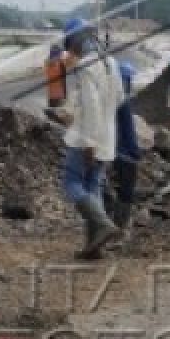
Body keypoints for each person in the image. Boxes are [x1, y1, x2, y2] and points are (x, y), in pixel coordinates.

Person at [55, 18, 124, 259]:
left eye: (70, 44)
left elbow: (92, 106)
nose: (70, 50)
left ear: (76, 40)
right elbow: (119, 97)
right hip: (107, 135)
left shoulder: (86, 65)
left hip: (88, 136)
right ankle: (93, 247)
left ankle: (103, 223)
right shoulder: (111, 63)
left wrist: (89, 142)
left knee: (72, 183)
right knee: (93, 185)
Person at [110, 60, 140, 237]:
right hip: (125, 154)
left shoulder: (109, 100)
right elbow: (128, 131)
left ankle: (113, 225)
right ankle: (120, 228)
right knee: (126, 192)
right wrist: (135, 151)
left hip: (112, 152)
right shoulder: (124, 103)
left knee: (117, 189)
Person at [43, 43, 69, 108]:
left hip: (53, 96)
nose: (61, 55)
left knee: (53, 110)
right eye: (60, 54)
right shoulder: (60, 64)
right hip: (58, 96)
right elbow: (63, 81)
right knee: (57, 111)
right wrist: (65, 95)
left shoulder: (47, 63)